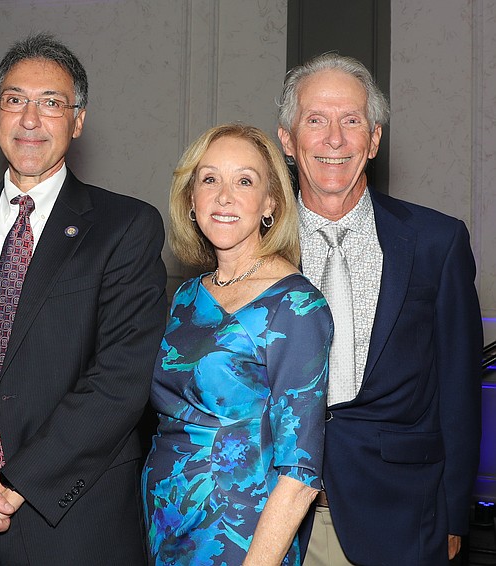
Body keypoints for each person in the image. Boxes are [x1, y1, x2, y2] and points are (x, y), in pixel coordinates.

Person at [0, 32, 167, 565]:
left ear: (78, 120)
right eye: (15, 100)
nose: (30, 119)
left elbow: (120, 379)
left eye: (51, 103)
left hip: (72, 526)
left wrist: (10, 486)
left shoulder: (125, 227)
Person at [276, 53, 482, 565]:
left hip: (401, 514)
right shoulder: (253, 248)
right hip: (269, 515)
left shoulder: (437, 241)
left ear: (373, 139)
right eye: (316, 120)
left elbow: (458, 387)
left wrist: (456, 513)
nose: (334, 139)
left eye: (352, 121)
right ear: (287, 140)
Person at [143, 123, 333, 565]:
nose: (224, 196)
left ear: (271, 203)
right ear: (191, 199)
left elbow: (301, 472)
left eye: (244, 181)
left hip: (240, 532)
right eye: (209, 179)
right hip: (166, 521)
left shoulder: (297, 305)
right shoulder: (187, 296)